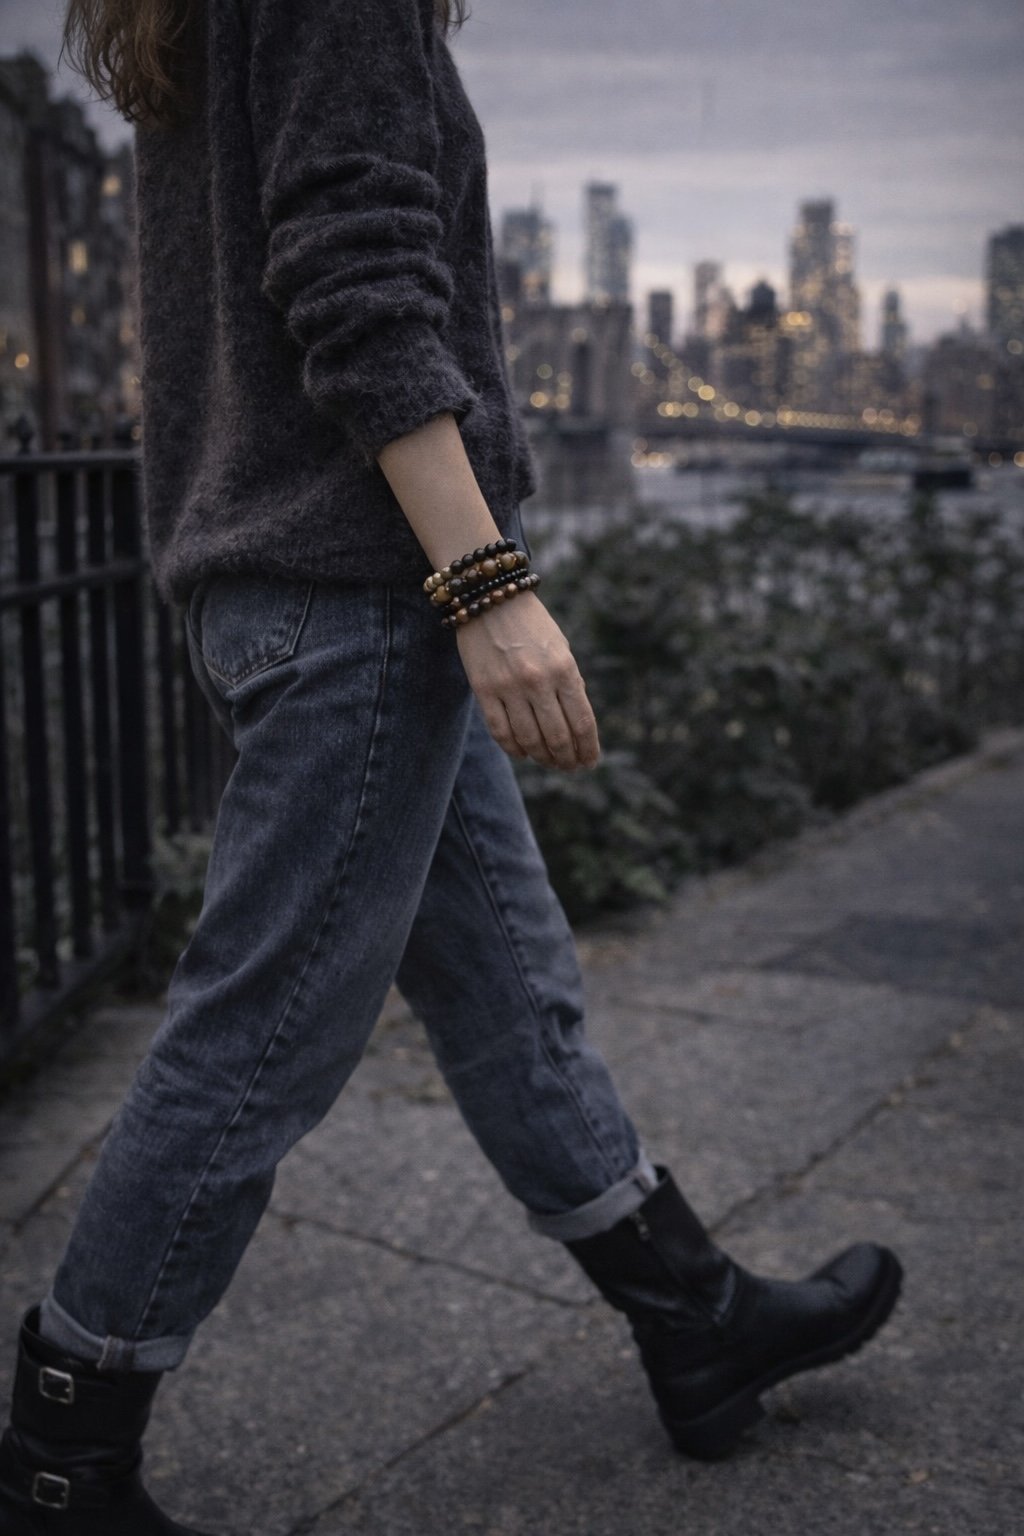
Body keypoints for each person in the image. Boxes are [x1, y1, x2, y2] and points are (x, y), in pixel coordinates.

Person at [0, 2, 903, 1530]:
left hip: (298, 581)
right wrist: (490, 585)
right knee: (260, 1034)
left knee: (507, 980)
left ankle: (696, 1322)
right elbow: (355, 278)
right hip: (360, 584)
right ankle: (59, 1453)